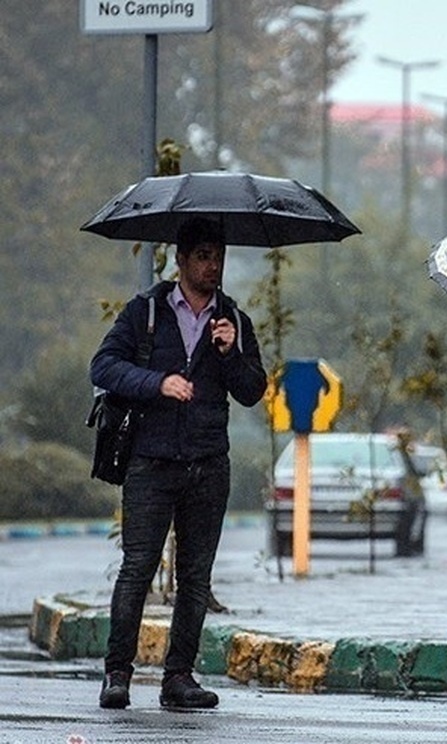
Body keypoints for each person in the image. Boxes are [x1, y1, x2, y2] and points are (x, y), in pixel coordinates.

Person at [90, 217, 267, 710]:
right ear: (181, 260)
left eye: (219, 257)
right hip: (151, 461)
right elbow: (102, 366)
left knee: (196, 576)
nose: (214, 266)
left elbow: (253, 390)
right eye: (205, 256)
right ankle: (117, 673)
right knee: (137, 568)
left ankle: (179, 677)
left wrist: (231, 353)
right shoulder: (145, 311)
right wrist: (157, 382)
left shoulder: (232, 318)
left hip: (209, 463)